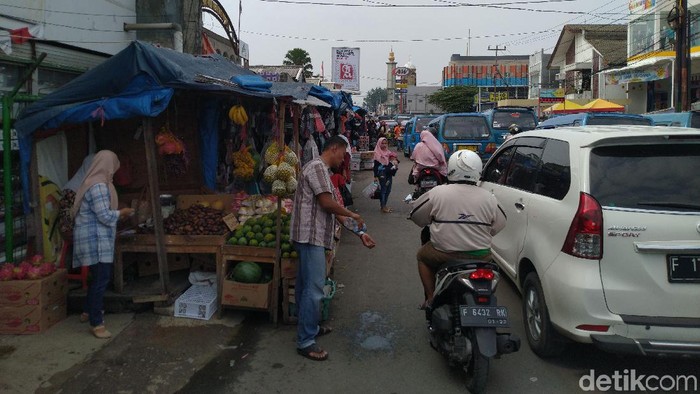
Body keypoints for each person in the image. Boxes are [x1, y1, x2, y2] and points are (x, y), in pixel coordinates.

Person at [290, 135, 376, 361]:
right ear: (334, 148)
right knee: (314, 289)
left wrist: (360, 233)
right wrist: (353, 214)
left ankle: (309, 327)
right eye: (343, 154)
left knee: (305, 286)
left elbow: (333, 210)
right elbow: (328, 204)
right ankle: (306, 341)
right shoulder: (317, 167)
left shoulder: (324, 172)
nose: (343, 159)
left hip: (312, 236)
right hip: (310, 237)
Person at [409, 150, 506, 309]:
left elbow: (417, 218)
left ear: (451, 169)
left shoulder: (437, 193)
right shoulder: (490, 197)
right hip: (481, 255)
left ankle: (431, 298)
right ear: (478, 170)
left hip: (443, 252)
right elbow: (499, 225)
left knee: (422, 257)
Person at [71, 150, 134, 339]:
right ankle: (97, 324)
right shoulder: (98, 186)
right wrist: (123, 213)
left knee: (96, 278)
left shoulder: (95, 182)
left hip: (92, 238)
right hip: (95, 240)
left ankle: (88, 311)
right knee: (101, 280)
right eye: (114, 164)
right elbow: (104, 216)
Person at [373, 137, 399, 213]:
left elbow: (391, 162)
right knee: (383, 190)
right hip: (382, 175)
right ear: (379, 144)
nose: (384, 145)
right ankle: (383, 206)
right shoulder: (377, 153)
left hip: (389, 174)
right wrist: (375, 176)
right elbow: (375, 166)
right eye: (382, 143)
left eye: (385, 143)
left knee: (388, 190)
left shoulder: (388, 152)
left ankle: (384, 205)